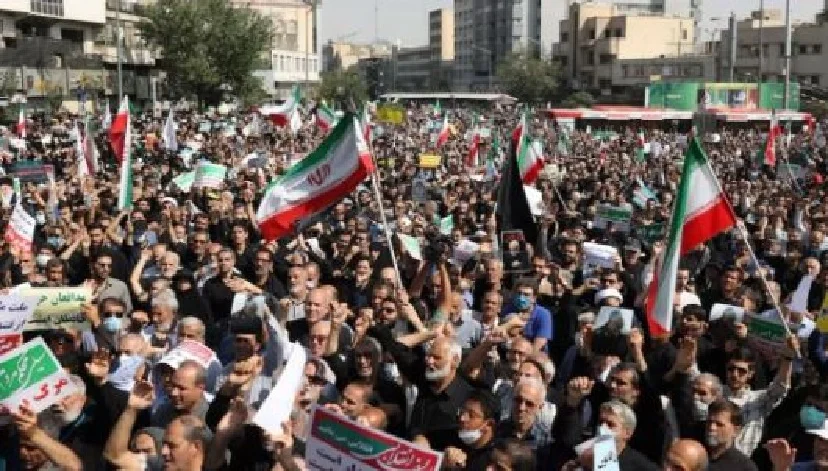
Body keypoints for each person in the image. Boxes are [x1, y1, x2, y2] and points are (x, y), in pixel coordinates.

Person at [705, 399, 759, 471]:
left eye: (719, 424)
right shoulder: (695, 455)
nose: (712, 428)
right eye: (709, 422)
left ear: (736, 430)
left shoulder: (744, 467)